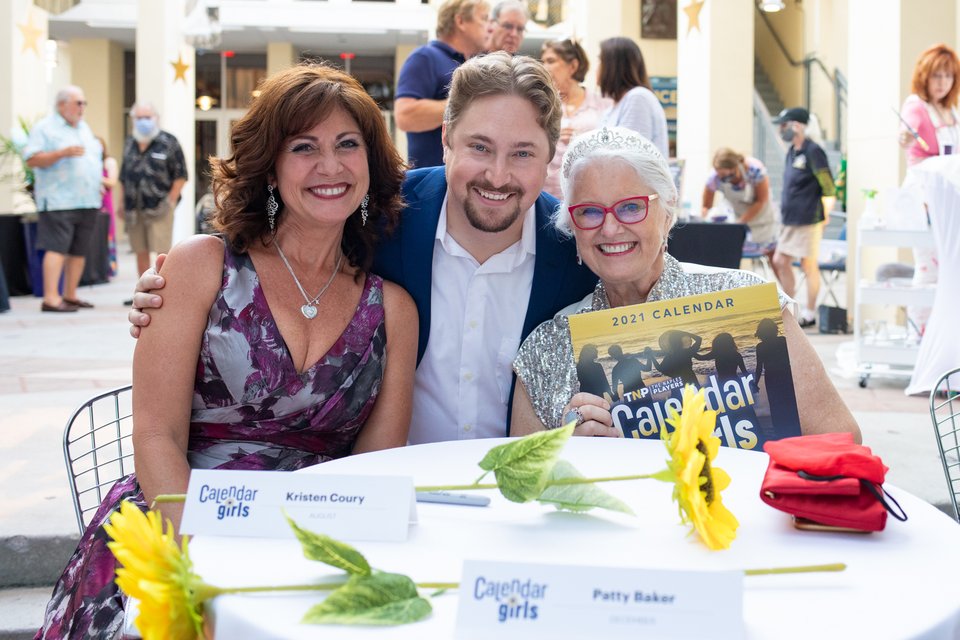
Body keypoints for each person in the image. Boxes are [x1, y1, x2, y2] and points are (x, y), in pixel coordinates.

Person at [35, 64, 419, 639]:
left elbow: (371, 471)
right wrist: (200, 568)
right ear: (269, 166)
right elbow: (155, 436)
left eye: (348, 144)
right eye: (303, 147)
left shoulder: (393, 309)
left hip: (306, 547)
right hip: (175, 532)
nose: (331, 166)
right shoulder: (200, 267)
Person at [128, 52, 599, 445]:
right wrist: (172, 298)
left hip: (516, 506)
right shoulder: (385, 214)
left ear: (549, 153)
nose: (497, 176)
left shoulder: (579, 253)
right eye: (479, 147)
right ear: (446, 140)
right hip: (393, 496)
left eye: (522, 153)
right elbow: (275, 243)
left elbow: (646, 295)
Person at [510, 126, 861, 445]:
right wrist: (567, 448)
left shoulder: (743, 303)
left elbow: (842, 440)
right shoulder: (549, 343)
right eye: (589, 211)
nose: (611, 228)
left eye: (631, 207)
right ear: (572, 224)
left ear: (667, 211)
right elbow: (520, 486)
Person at [23, 85, 103, 312]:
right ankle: (51, 298)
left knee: (78, 250)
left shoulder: (83, 128)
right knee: (56, 248)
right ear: (62, 105)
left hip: (87, 200)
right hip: (59, 201)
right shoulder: (45, 128)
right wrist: (61, 153)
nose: (82, 108)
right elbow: (32, 159)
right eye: (78, 103)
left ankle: (70, 295)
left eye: (84, 103)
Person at [395, 0, 490, 168]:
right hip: (432, 183)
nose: (489, 27)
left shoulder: (469, 64)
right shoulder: (425, 56)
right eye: (483, 19)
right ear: (460, 21)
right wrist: (472, 104)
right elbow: (405, 116)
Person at [770, 106, 836, 329]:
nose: (781, 129)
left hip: (809, 218)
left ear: (797, 126)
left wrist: (825, 216)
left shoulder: (813, 151)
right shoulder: (792, 151)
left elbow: (828, 186)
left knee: (809, 265)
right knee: (780, 260)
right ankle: (790, 307)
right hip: (790, 218)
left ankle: (809, 311)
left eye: (785, 124)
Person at [118, 102, 188, 279]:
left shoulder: (169, 142)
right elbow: (123, 176)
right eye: (139, 118)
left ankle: (163, 290)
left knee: (162, 252)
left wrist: (170, 200)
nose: (143, 121)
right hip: (134, 208)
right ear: (133, 120)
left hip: (160, 207)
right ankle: (144, 289)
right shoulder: (129, 143)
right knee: (139, 250)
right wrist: (121, 203)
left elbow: (181, 175)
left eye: (147, 117)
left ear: (156, 118)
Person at [541, 37, 611, 199]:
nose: (544, 67)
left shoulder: (602, 104)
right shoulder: (542, 105)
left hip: (590, 197)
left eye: (551, 61)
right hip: (547, 196)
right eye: (543, 61)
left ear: (573, 66)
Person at [597, 37, 669, 158]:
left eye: (600, 60)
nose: (597, 67)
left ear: (613, 66)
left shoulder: (637, 98)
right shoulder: (614, 107)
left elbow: (627, 156)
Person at [701, 147, 778, 257]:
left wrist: (740, 222)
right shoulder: (714, 177)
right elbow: (706, 207)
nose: (727, 179)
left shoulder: (755, 170)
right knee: (733, 253)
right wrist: (707, 221)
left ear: (736, 166)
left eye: (729, 175)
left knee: (772, 255)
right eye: (722, 177)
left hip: (763, 220)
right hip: (737, 219)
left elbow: (761, 200)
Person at [899, 43, 960, 165]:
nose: (943, 82)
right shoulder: (915, 106)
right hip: (924, 181)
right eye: (936, 76)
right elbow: (905, 133)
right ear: (924, 77)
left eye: (948, 76)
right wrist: (905, 137)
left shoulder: (951, 110)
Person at [96, 136, 119, 279]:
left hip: (105, 202)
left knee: (108, 232)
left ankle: (109, 267)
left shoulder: (109, 162)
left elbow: (112, 182)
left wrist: (95, 177)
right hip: (92, 203)